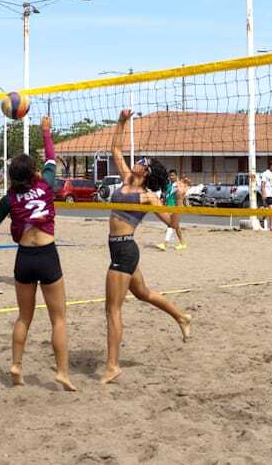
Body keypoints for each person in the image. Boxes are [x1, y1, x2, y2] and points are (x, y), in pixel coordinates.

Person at [101, 110, 192, 385]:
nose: (138, 162)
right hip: (118, 248)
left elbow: (172, 224)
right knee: (143, 293)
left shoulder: (148, 197)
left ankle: (113, 365)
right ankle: (182, 317)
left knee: (112, 309)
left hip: (125, 249)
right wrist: (121, 122)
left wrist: (178, 200)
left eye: (142, 162)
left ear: (147, 171)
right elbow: (115, 148)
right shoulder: (127, 177)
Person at [0, 115, 76, 391]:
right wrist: (46, 132)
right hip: (47, 254)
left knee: (24, 317)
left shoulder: (9, 197)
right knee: (58, 318)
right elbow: (51, 158)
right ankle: (62, 372)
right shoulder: (46, 185)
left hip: (24, 258)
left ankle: (16, 365)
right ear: (34, 172)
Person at [156, 170, 187, 251]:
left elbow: (183, 194)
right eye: (170, 176)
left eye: (172, 175)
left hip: (176, 207)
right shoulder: (169, 185)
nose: (171, 177)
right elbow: (166, 196)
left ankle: (164, 244)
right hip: (169, 207)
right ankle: (182, 243)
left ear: (176, 176)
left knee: (171, 225)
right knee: (176, 226)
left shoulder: (179, 185)